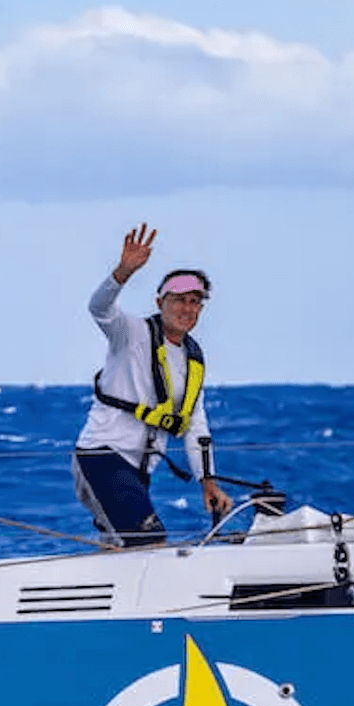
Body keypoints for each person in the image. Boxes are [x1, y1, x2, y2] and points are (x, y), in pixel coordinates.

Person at [74, 223, 232, 547]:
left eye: (194, 302)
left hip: (139, 469)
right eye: (178, 300)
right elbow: (98, 308)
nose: (186, 309)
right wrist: (122, 272)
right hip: (102, 456)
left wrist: (207, 482)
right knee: (150, 542)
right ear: (160, 301)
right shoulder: (131, 333)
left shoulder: (193, 360)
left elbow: (195, 425)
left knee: (120, 546)